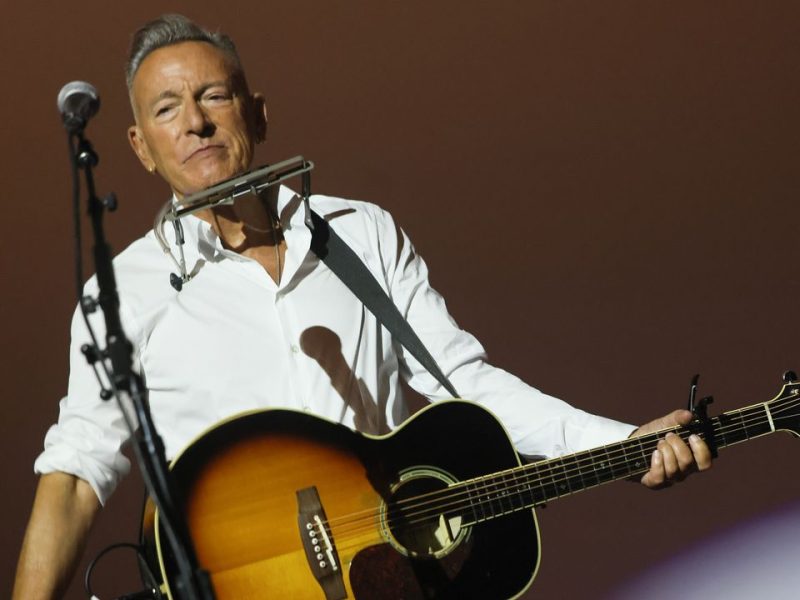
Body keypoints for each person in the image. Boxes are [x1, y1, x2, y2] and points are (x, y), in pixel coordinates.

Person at [13, 14, 712, 600]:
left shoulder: (360, 234)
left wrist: (621, 444)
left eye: (214, 96)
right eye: (167, 109)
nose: (195, 123)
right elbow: (74, 478)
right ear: (141, 148)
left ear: (257, 112)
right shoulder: (124, 292)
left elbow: (463, 382)